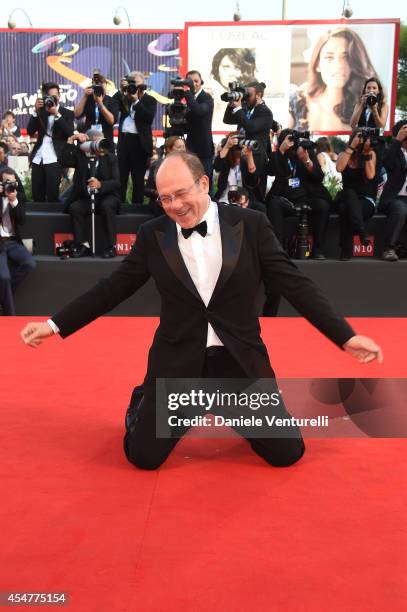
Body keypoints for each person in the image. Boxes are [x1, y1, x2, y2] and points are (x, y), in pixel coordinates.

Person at [21, 151, 382, 470]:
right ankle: (143, 400)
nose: (174, 206)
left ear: (204, 183)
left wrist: (345, 336)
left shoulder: (251, 226)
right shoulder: (153, 234)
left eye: (180, 194)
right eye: (164, 198)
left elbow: (295, 285)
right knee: (142, 458)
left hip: (237, 364)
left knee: (287, 454)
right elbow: (112, 289)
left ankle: (233, 408)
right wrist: (54, 325)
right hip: (178, 363)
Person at [289, 27, 377, 132]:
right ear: (317, 64)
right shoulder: (295, 100)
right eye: (329, 57)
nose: (339, 65)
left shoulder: (365, 108)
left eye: (346, 57)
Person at [265, 129, 332, 260]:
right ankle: (278, 249)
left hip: (306, 198)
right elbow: (270, 170)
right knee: (273, 203)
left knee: (323, 206)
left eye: (292, 140)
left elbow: (319, 176)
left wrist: (306, 160)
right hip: (284, 199)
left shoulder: (305, 152)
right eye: (288, 140)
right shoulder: (278, 155)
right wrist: (281, 150)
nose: (291, 143)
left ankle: (318, 249)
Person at [59, 130, 121, 258]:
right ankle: (83, 245)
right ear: (90, 143)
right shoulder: (81, 155)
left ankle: (111, 246)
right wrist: (71, 140)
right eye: (99, 142)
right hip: (87, 197)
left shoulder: (111, 158)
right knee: (75, 208)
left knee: (107, 206)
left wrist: (101, 185)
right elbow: (64, 161)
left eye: (103, 142)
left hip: (107, 196)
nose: (102, 146)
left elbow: (116, 182)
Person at [223, 81, 274, 199]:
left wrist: (239, 108)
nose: (246, 98)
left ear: (258, 95)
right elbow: (227, 119)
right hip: (243, 154)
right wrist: (232, 102)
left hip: (256, 158)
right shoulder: (245, 108)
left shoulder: (265, 112)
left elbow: (251, 127)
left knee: (254, 194)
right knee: (242, 195)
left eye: (248, 95)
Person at [334, 130, 378, 260]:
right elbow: (339, 168)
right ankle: (361, 231)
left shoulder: (371, 154)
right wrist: (352, 147)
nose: (364, 141)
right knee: (349, 192)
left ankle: (345, 249)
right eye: (361, 138)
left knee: (345, 209)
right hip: (346, 195)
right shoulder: (344, 154)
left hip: (365, 200)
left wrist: (366, 153)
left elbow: (370, 175)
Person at [114, 71, 157, 203]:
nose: (133, 86)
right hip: (124, 141)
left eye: (136, 83)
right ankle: (119, 206)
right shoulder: (124, 97)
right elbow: (112, 103)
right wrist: (122, 89)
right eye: (131, 83)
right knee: (121, 177)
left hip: (139, 143)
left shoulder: (150, 100)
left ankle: (137, 208)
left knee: (138, 179)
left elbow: (148, 117)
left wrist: (136, 101)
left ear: (143, 85)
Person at [27, 82, 74, 202]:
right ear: (45, 97)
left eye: (56, 96)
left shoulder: (67, 113)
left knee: (52, 194)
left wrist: (56, 114)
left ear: (59, 96)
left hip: (55, 158)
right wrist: (35, 111)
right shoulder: (41, 111)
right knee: (37, 195)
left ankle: (52, 220)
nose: (54, 98)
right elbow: (30, 131)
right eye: (50, 96)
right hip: (38, 157)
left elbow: (70, 133)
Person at [0, 167, 35, 315]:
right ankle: (10, 315)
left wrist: (13, 201)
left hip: (13, 241)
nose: (10, 185)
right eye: (7, 182)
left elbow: (22, 220)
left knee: (30, 264)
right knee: (4, 277)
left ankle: (2, 298)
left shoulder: (18, 196)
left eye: (13, 182)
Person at [378, 121, 407, 261]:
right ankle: (388, 248)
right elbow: (385, 161)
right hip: (394, 198)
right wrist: (397, 140)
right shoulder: (394, 152)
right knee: (400, 208)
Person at [209, 48, 257, 131]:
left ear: (245, 71)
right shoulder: (211, 92)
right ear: (217, 68)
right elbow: (226, 121)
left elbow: (249, 126)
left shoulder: (253, 101)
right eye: (226, 67)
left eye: (237, 68)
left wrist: (238, 107)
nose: (231, 73)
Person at [182, 70, 214, 187]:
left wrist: (188, 96)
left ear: (201, 82)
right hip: (190, 147)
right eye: (190, 81)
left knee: (204, 183)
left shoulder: (207, 98)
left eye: (196, 81)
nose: (193, 84)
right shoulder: (186, 98)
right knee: (190, 182)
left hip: (203, 149)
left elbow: (199, 111)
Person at [74, 72, 119, 149]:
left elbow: (111, 121)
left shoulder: (111, 101)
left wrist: (100, 103)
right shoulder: (88, 99)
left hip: (105, 138)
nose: (99, 86)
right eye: (96, 84)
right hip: (89, 138)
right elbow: (77, 114)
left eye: (102, 83)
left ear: (106, 85)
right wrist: (85, 96)